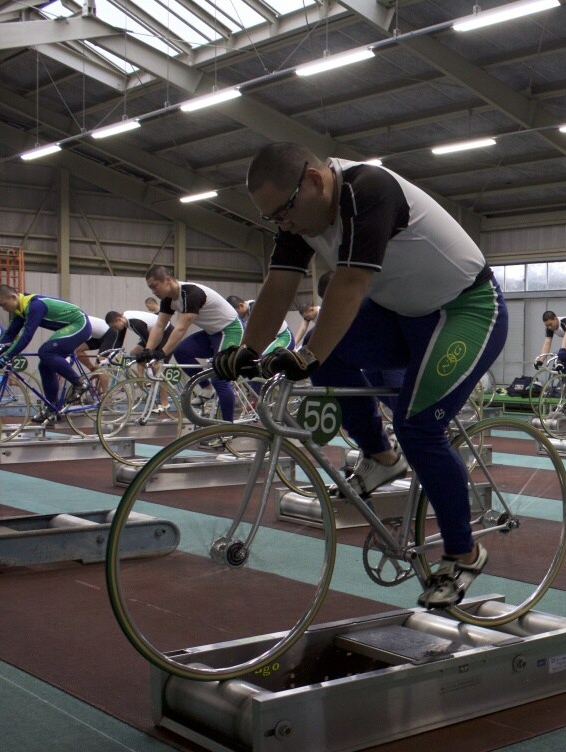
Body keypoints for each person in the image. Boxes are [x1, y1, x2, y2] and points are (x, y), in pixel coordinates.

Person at [214, 141, 506, 610]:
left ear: (313, 180)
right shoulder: (297, 213)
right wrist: (247, 350)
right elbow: (280, 284)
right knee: (329, 359)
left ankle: (463, 553)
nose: (282, 224)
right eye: (272, 219)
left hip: (465, 310)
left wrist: (304, 355)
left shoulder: (367, 188)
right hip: (399, 315)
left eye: (283, 212)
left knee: (419, 429)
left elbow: (350, 283)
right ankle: (380, 455)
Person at [140, 265, 244, 440]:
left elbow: (181, 328)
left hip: (230, 330)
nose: (153, 291)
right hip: (211, 333)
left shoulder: (191, 293)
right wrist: (147, 351)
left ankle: (228, 430)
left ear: (167, 280)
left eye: (154, 285)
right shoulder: (168, 299)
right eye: (150, 287)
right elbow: (159, 326)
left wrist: (162, 353)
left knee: (220, 376)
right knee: (182, 351)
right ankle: (207, 389)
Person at [0, 285, 92, 423]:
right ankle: (52, 408)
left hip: (80, 324)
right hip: (68, 327)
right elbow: (9, 336)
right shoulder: (20, 311)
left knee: (45, 352)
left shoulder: (36, 305)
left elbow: (26, 335)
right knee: (44, 364)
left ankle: (80, 384)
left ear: (13, 297)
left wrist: (8, 355)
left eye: (3, 304)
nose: (3, 309)